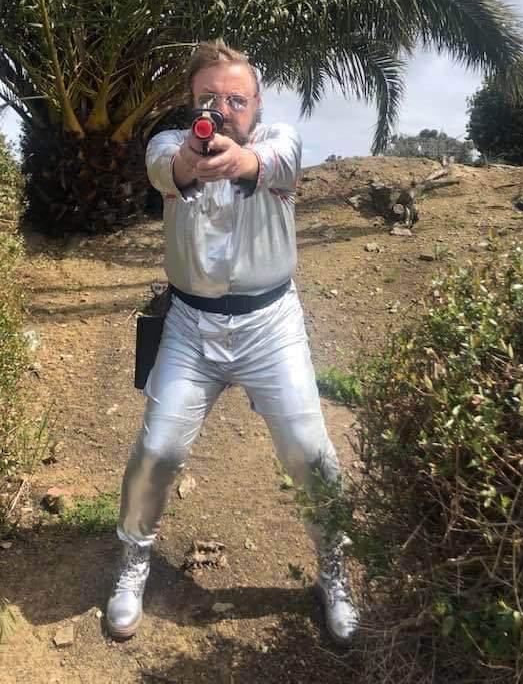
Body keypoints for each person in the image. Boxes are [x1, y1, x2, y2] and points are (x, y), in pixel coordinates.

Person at [106, 40, 358, 645]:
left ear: (257, 103)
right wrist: (193, 160)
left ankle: (334, 565)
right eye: (209, 98)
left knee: (309, 450)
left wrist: (238, 160)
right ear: (191, 102)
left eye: (235, 99)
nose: (222, 109)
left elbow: (270, 162)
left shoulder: (281, 140)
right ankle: (134, 557)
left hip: (271, 325)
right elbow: (168, 168)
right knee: (158, 449)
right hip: (190, 326)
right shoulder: (170, 144)